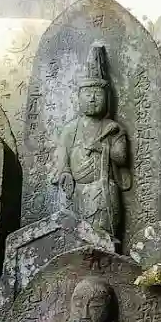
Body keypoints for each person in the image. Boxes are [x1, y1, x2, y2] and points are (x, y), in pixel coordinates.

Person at [53, 45, 130, 241]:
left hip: (103, 190)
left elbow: (122, 158)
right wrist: (65, 172)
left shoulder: (113, 128)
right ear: (79, 98)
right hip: (76, 189)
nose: (93, 99)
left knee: (104, 237)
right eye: (88, 94)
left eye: (98, 94)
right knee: (74, 237)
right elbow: (62, 154)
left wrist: (102, 148)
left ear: (107, 99)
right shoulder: (71, 129)